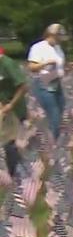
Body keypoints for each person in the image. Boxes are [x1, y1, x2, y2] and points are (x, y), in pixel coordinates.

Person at [27, 23, 73, 140]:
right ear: (52, 35)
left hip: (55, 82)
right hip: (43, 83)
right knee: (54, 114)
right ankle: (53, 143)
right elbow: (31, 67)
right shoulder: (38, 47)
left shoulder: (58, 48)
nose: (61, 40)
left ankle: (48, 137)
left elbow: (61, 67)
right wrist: (45, 63)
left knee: (59, 111)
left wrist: (71, 66)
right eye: (59, 37)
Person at [0, 47, 29, 180]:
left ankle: (17, 177)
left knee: (9, 143)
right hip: (3, 108)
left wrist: (11, 104)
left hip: (15, 110)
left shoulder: (7, 64)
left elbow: (23, 86)